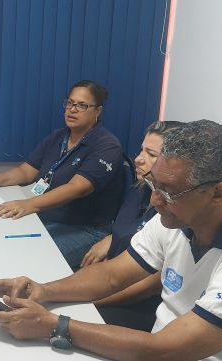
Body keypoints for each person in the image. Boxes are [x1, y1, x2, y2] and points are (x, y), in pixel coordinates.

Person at [0, 120, 222, 360]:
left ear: (218, 193)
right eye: (154, 186)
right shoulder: (176, 217)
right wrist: (45, 290)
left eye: (169, 192)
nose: (155, 201)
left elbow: (165, 350)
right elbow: (111, 275)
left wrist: (54, 325)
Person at [0, 80, 124, 270]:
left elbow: (77, 188)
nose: (72, 109)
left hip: (85, 228)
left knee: (28, 262)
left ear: (98, 111)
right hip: (49, 216)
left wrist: (29, 204)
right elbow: (26, 171)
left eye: (82, 105)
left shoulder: (106, 146)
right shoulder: (59, 136)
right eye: (70, 103)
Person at [80, 120, 184, 332]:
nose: (138, 159)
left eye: (151, 154)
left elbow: (150, 287)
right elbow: (131, 228)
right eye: (141, 150)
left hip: (139, 305)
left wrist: (93, 300)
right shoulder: (140, 188)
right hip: (110, 281)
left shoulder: (175, 214)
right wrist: (111, 238)